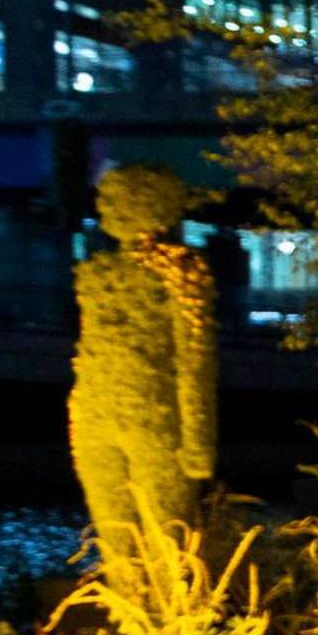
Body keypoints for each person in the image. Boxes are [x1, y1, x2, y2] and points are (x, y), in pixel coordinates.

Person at [68, 164, 216, 594]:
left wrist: (198, 442)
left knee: (167, 537)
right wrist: (78, 417)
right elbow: (87, 347)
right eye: (107, 198)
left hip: (156, 420)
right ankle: (133, 626)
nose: (107, 206)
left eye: (120, 197)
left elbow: (194, 355)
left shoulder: (183, 273)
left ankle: (174, 633)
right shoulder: (96, 274)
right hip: (97, 416)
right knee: (114, 536)